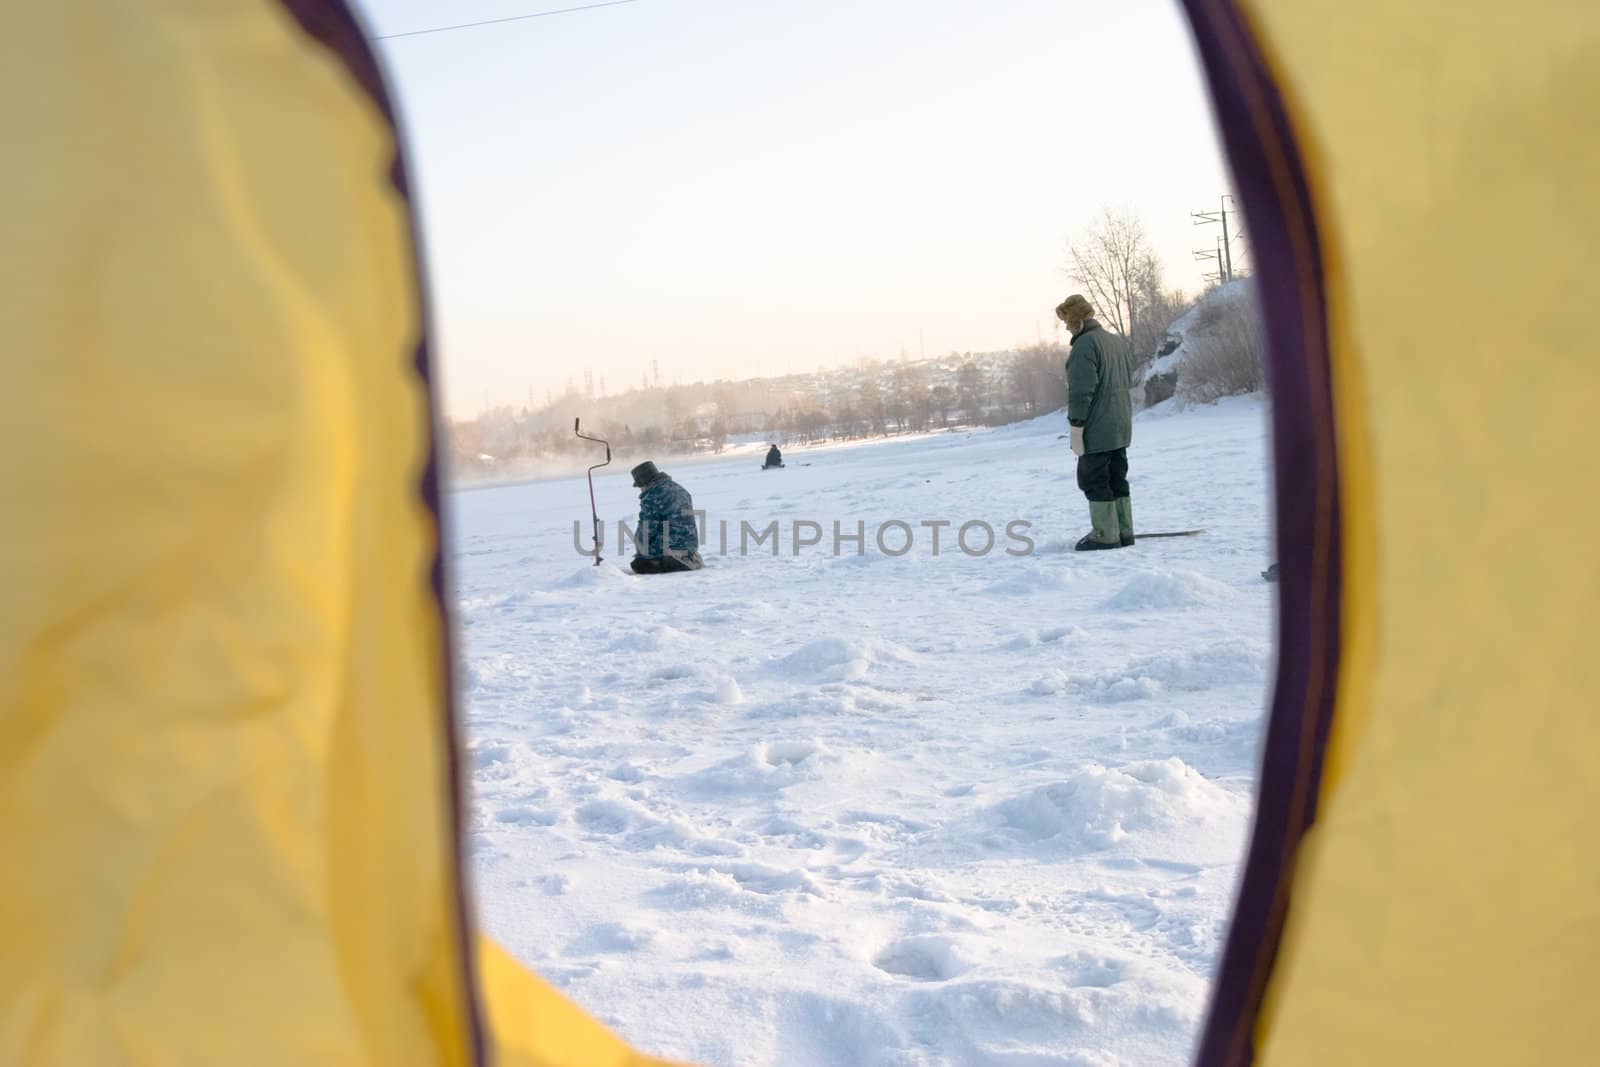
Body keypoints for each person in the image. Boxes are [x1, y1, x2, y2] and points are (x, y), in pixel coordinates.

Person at [1056, 294, 1135, 551]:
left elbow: (1081, 391)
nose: (1066, 327)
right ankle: (1124, 531)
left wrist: (1076, 425)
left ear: (1077, 319)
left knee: (1093, 478)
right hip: (1120, 424)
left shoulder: (1084, 346)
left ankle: (1104, 534)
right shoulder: (1114, 341)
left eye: (1067, 321)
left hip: (1098, 428)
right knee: (1117, 477)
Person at [628, 460, 704, 574]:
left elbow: (646, 528)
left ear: (644, 483)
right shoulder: (677, 488)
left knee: (638, 564)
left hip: (671, 546)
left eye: (639, 486)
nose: (640, 489)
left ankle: (667, 562)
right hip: (691, 544)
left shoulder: (652, 496)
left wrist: (640, 550)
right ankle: (688, 558)